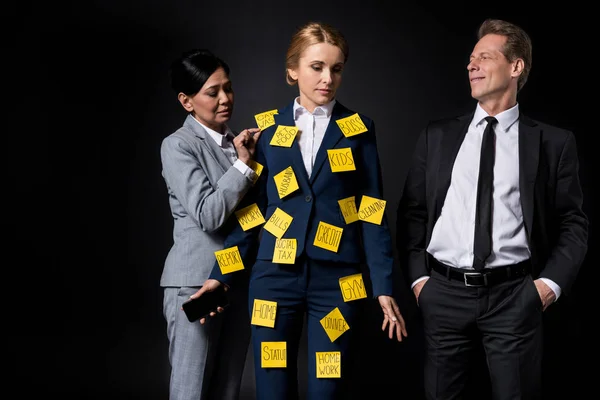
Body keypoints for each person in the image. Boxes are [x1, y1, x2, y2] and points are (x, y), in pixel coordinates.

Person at [207, 21, 407, 399]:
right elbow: (253, 213)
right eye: (317, 67)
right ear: (292, 70)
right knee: (272, 389)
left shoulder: (359, 127)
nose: (327, 78)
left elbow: (372, 210)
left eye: (336, 68)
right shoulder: (266, 130)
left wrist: (382, 286)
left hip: (338, 283)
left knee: (326, 391)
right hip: (273, 281)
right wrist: (221, 274)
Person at [396, 18, 589, 400]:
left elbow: (573, 223)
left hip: (514, 297)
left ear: (516, 67)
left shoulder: (553, 143)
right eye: (470, 59)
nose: (471, 65)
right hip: (443, 294)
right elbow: (412, 213)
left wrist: (546, 288)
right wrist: (420, 282)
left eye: (484, 57)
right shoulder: (437, 136)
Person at [159, 48, 262, 400]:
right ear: (187, 101)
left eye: (228, 88)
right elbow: (207, 213)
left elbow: (253, 220)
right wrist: (245, 167)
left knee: (227, 390)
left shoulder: (241, 147)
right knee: (190, 391)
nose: (225, 99)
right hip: (194, 283)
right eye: (212, 92)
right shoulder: (177, 145)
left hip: (236, 282)